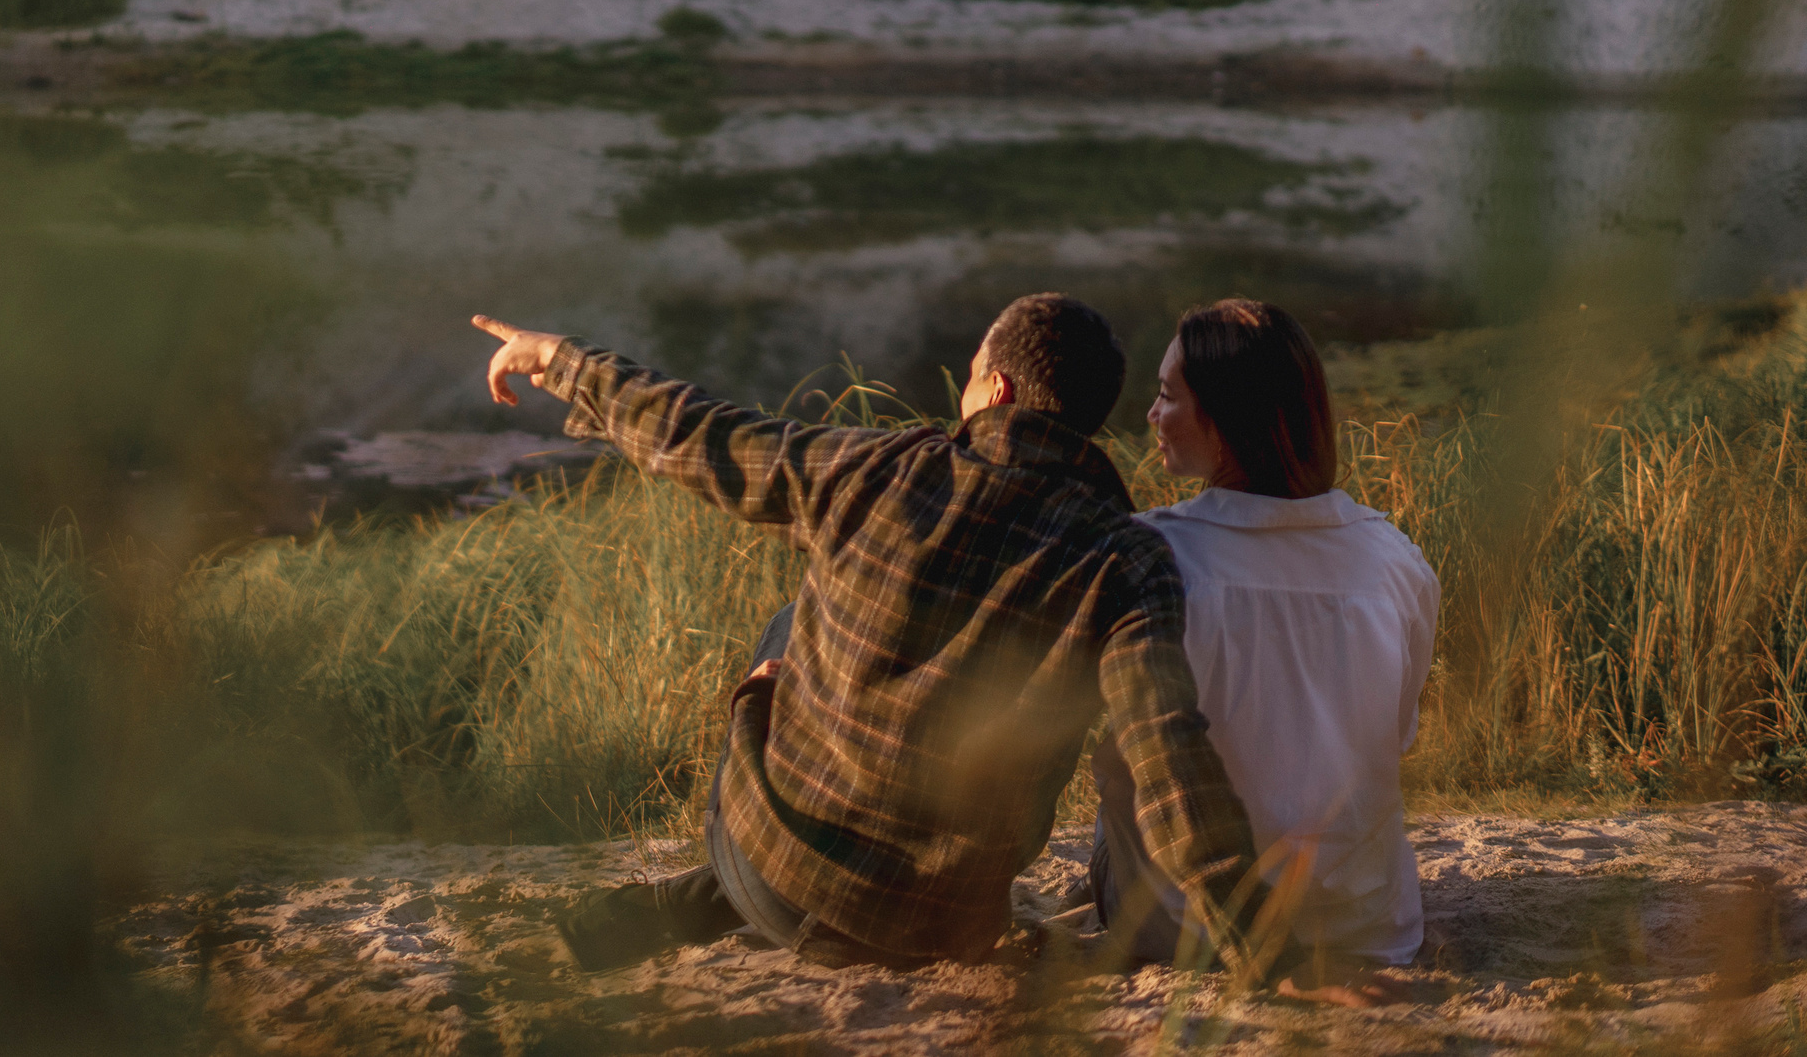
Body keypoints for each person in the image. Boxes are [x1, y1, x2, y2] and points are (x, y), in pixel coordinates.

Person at [470, 296, 1366, 992]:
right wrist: (1265, 951)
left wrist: (563, 362)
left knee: (790, 624)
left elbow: (700, 434)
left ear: (1000, 389)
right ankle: (756, 890)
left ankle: (719, 888)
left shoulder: (873, 467)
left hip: (771, 875)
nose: (967, 386)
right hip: (946, 923)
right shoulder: (1128, 560)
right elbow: (1172, 760)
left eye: (975, 370)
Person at [1090, 298, 1440, 970]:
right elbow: (1395, 736)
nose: (1151, 415)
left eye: (1167, 395)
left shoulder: (1153, 552)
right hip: (1366, 924)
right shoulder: (1396, 558)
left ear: (1224, 420)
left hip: (1192, 930)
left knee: (1120, 770)